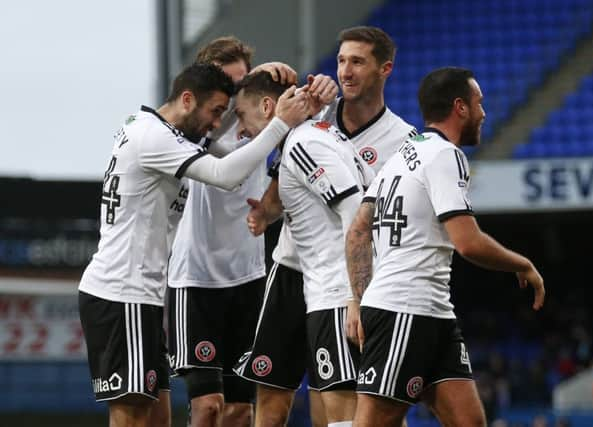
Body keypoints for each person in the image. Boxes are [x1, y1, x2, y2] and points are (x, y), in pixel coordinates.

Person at [78, 62, 310, 427]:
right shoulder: (153, 138)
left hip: (142, 296)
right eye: (216, 112)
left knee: (157, 418)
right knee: (132, 417)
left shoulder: (148, 129)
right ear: (187, 99)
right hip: (122, 293)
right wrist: (279, 122)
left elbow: (221, 148)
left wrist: (255, 80)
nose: (219, 123)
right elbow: (225, 174)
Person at [236, 26, 416, 427]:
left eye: (357, 61)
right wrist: (265, 211)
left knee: (340, 401)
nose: (345, 71)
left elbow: (376, 214)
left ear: (385, 69)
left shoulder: (404, 141)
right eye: (341, 61)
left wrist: (363, 292)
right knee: (271, 398)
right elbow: (264, 116)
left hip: (342, 278)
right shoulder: (317, 118)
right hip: (291, 269)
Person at [345, 66, 545, 427]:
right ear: (460, 107)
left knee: (470, 422)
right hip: (403, 308)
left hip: (432, 311)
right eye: (478, 103)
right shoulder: (445, 156)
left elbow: (359, 229)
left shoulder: (403, 156)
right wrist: (522, 263)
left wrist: (359, 299)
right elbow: (468, 242)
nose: (483, 112)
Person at [167, 36, 337, 427]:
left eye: (243, 83)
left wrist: (321, 93)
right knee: (208, 406)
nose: (236, 93)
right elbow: (230, 169)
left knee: (242, 410)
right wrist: (263, 83)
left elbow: (305, 128)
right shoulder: (199, 130)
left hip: (249, 276)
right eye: (230, 84)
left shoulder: (262, 123)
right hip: (197, 278)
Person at [233, 70, 375, 427]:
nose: (239, 129)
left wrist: (355, 296)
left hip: (336, 292)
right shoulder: (319, 137)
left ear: (268, 107)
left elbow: (356, 212)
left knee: (343, 415)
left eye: (241, 116)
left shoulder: (303, 144)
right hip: (319, 285)